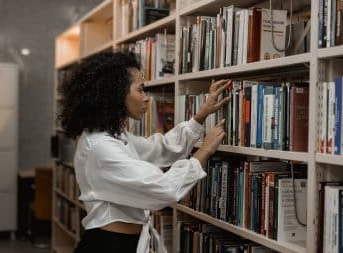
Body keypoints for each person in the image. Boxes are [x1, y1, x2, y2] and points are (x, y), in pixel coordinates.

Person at [58, 52, 231, 253]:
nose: (147, 99)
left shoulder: (113, 136)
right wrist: (204, 151)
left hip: (124, 242)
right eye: (141, 90)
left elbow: (158, 149)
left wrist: (200, 117)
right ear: (116, 94)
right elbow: (162, 189)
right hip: (110, 245)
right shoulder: (100, 147)